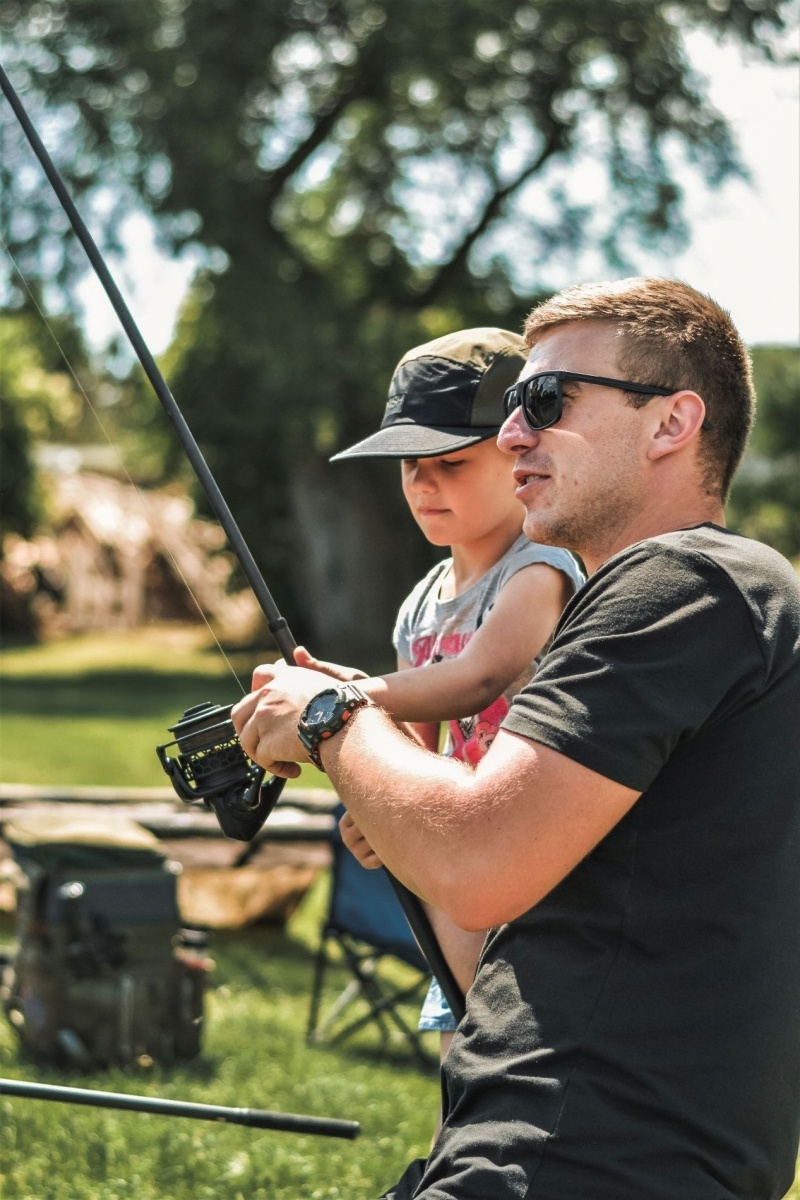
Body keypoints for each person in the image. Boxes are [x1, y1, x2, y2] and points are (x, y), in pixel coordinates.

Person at [233, 278, 800, 1200]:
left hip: (578, 1156)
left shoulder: (685, 582)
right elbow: (496, 839)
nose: (509, 435)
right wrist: (399, 790)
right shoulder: (680, 598)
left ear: (672, 422)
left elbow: (478, 860)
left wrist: (333, 718)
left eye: (545, 400)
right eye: (510, 407)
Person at [295, 327, 584, 1068]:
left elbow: (481, 676)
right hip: (462, 872)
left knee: (518, 1060)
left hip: (540, 860)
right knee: (461, 1076)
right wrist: (380, 808)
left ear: (518, 449)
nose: (424, 485)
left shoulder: (541, 568)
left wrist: (343, 699)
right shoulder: (419, 605)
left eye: (450, 464)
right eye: (410, 467)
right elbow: (414, 745)